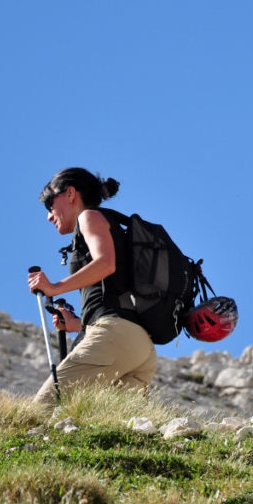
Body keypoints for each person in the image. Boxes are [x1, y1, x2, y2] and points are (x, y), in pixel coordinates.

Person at [27, 168, 157, 406]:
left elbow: (106, 263)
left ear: (70, 194)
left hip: (114, 336)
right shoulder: (114, 225)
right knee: (109, 431)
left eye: (49, 205)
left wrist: (54, 288)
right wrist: (77, 325)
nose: (48, 216)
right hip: (140, 347)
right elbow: (114, 293)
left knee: (43, 409)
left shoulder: (89, 217)